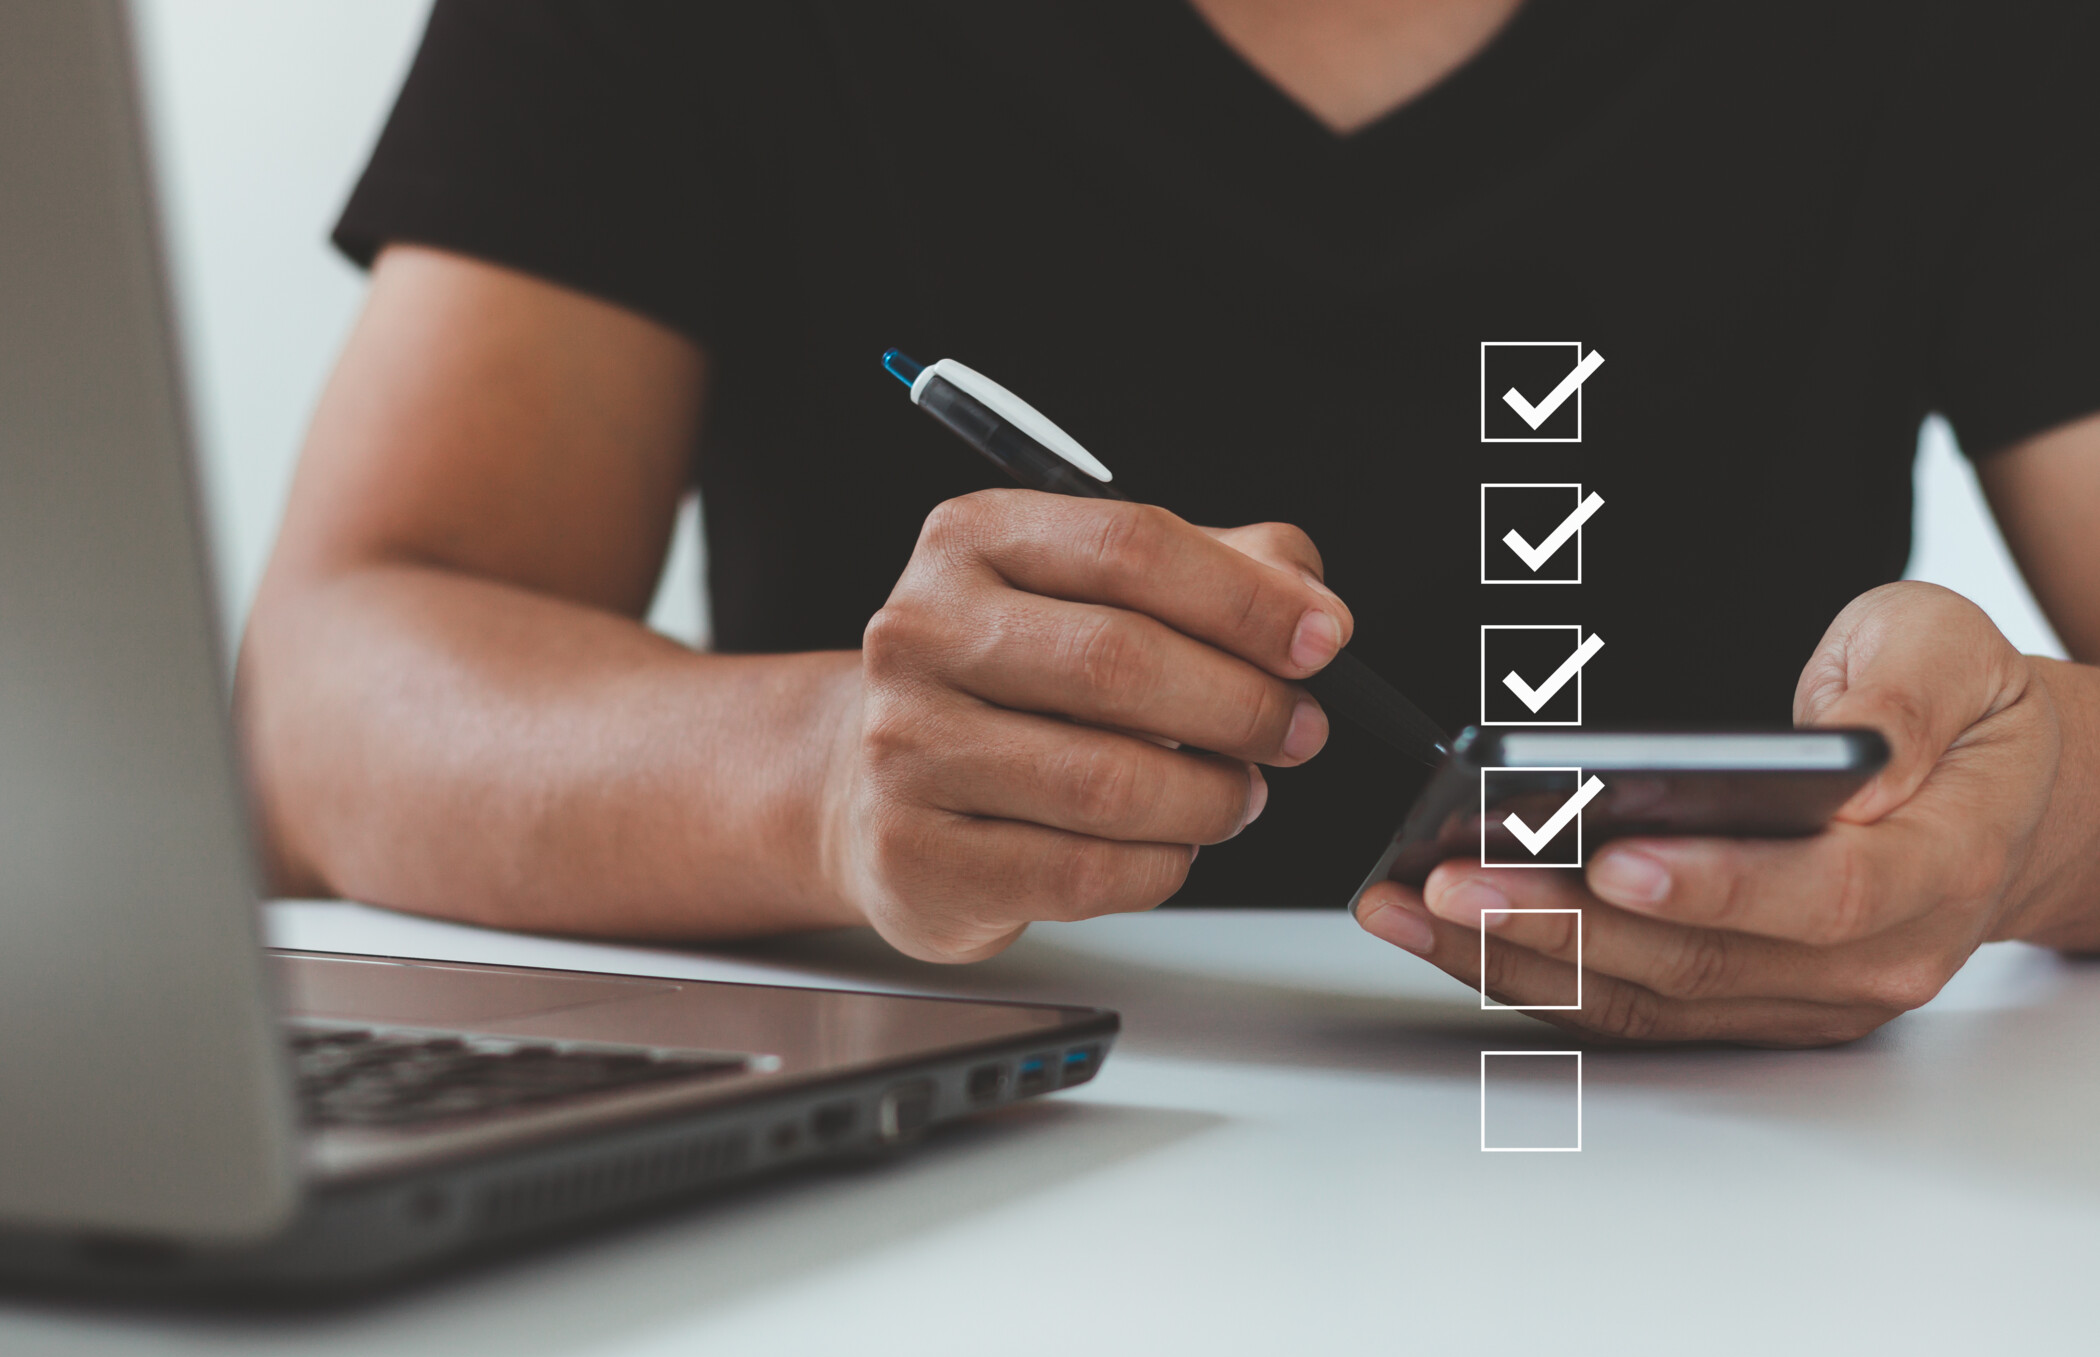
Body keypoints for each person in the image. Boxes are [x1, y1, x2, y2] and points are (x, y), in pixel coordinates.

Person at [237, 0, 2100, 1046]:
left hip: (1759, 1243)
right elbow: (329, 694)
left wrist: (2022, 824)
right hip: (910, 1200)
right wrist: (816, 777)